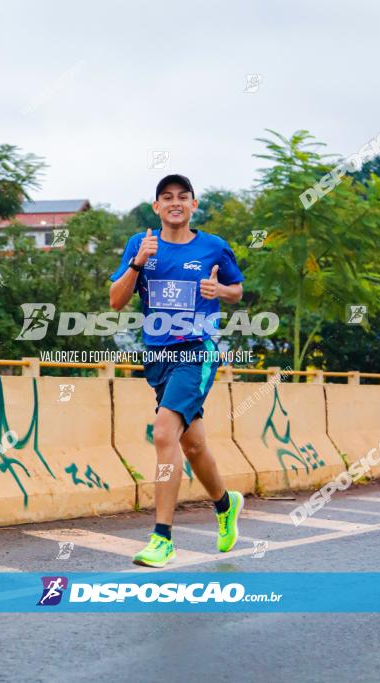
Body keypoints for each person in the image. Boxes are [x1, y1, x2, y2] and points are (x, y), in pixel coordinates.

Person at [109, 174, 245, 567]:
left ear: (193, 204)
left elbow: (237, 289)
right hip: (158, 356)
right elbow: (116, 301)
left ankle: (162, 538)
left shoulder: (213, 247)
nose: (175, 203)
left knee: (165, 431)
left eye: (183, 197)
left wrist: (220, 292)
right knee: (193, 444)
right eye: (166, 197)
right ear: (156, 207)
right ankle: (225, 504)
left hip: (197, 350)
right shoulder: (141, 244)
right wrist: (139, 262)